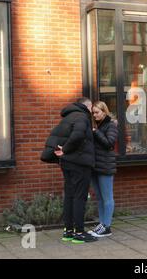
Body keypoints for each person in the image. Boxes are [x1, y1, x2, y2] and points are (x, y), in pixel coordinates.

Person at [54, 97, 97, 243]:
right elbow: (77, 135)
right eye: (91, 107)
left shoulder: (68, 117)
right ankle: (79, 232)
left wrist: (64, 151)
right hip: (79, 163)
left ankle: (68, 231)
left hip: (67, 163)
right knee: (80, 197)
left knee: (70, 196)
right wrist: (65, 150)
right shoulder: (82, 117)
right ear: (86, 106)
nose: (92, 110)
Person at [88, 101, 118, 238]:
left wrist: (96, 132)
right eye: (93, 113)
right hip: (96, 166)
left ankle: (107, 226)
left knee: (107, 198)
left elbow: (109, 143)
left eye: (97, 112)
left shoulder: (111, 125)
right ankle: (101, 224)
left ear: (104, 112)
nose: (94, 115)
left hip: (105, 166)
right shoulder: (98, 125)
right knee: (99, 198)